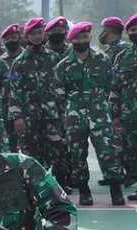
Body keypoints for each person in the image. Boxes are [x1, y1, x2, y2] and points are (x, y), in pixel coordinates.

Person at [55, 21, 125, 206]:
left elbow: (113, 86)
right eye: (78, 38)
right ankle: (84, 190)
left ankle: (115, 189)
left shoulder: (102, 60)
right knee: (77, 154)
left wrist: (111, 111)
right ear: (71, 41)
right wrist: (64, 116)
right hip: (74, 116)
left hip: (99, 113)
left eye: (85, 37)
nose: (82, 41)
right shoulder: (63, 65)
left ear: (89, 38)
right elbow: (59, 93)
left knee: (108, 150)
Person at [9, 18, 70, 191]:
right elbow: (14, 92)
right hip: (29, 117)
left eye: (39, 33)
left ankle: (61, 184)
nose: (36, 36)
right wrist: (17, 117)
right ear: (26, 36)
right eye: (32, 33)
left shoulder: (54, 58)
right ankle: (35, 186)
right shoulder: (19, 62)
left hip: (52, 115)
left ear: (44, 34)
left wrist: (63, 112)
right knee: (31, 154)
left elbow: (61, 86)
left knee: (58, 150)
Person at [110, 13, 137, 201]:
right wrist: (115, 114)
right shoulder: (122, 57)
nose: (135, 33)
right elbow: (115, 87)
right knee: (132, 151)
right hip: (129, 114)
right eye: (133, 30)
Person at [0, 23, 23, 153]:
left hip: (27, 109)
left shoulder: (27, 57)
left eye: (14, 37)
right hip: (6, 109)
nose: (11, 41)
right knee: (10, 146)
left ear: (19, 37)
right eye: (8, 38)